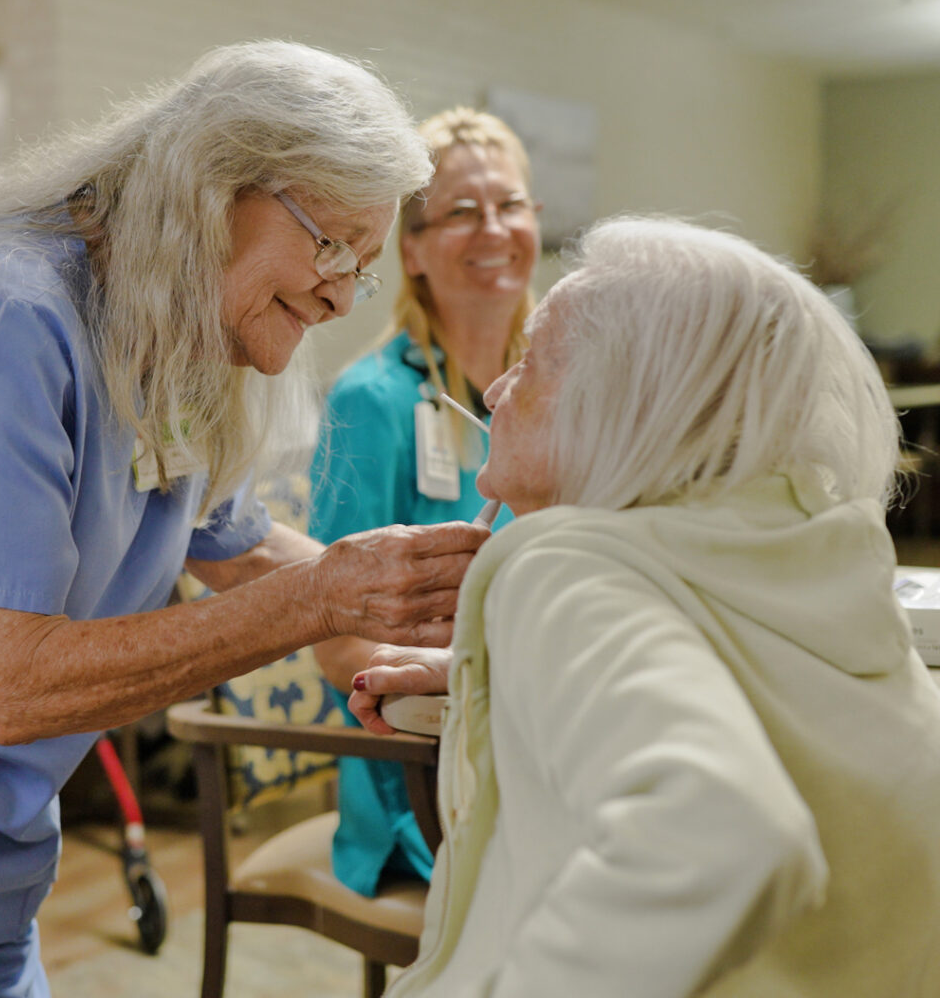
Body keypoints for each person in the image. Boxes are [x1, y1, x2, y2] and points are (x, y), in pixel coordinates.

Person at [0, 40, 490, 997]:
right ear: (217, 187)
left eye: (366, 266)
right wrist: (327, 596)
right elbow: (11, 686)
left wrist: (470, 623)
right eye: (333, 246)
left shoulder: (165, 332)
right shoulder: (5, 315)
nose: (344, 293)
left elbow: (246, 551)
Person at [352, 216, 940, 996]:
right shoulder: (807, 540)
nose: (496, 390)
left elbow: (716, 832)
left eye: (530, 362)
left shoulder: (559, 565)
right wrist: (489, 677)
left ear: (622, 402)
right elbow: (751, 687)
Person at [308, 107, 540, 896]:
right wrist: (486, 676)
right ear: (410, 249)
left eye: (511, 205)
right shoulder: (370, 402)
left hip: (537, 722)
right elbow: (335, 644)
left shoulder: (563, 395)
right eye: (463, 211)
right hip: (421, 764)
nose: (495, 229)